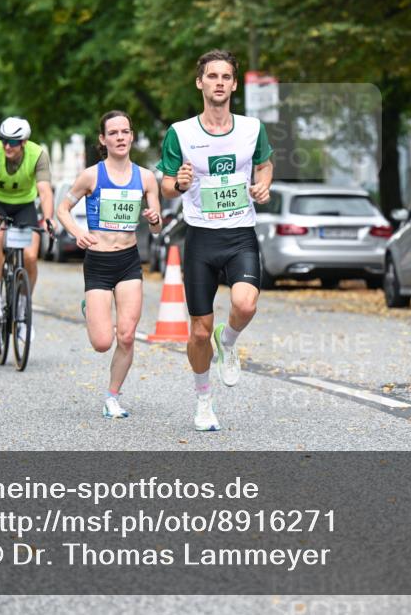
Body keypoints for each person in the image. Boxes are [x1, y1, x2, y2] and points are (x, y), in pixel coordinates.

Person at [157, 49, 274, 432]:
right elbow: (166, 185)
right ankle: (203, 400)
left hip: (240, 234)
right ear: (200, 83)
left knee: (245, 303)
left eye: (225, 77)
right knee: (199, 331)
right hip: (201, 238)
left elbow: (265, 164)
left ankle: (230, 339)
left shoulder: (252, 128)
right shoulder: (181, 133)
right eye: (212, 76)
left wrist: (263, 185)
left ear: (234, 84)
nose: (219, 83)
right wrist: (179, 183)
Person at [57, 111, 163, 418]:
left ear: (132, 136)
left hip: (129, 261)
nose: (120, 137)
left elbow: (157, 227)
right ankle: (91, 310)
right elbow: (63, 209)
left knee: (126, 336)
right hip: (98, 263)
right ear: (103, 140)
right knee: (102, 343)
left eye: (124, 132)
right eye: (113, 133)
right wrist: (78, 233)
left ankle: (112, 397)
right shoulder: (91, 176)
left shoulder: (146, 178)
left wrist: (154, 219)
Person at [0, 117, 54, 331]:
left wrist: (48, 218)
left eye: (13, 142)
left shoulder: (38, 155)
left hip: (24, 206)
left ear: (24, 142)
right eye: (4, 140)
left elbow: (45, 191)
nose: (7, 146)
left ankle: (22, 305)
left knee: (30, 256)